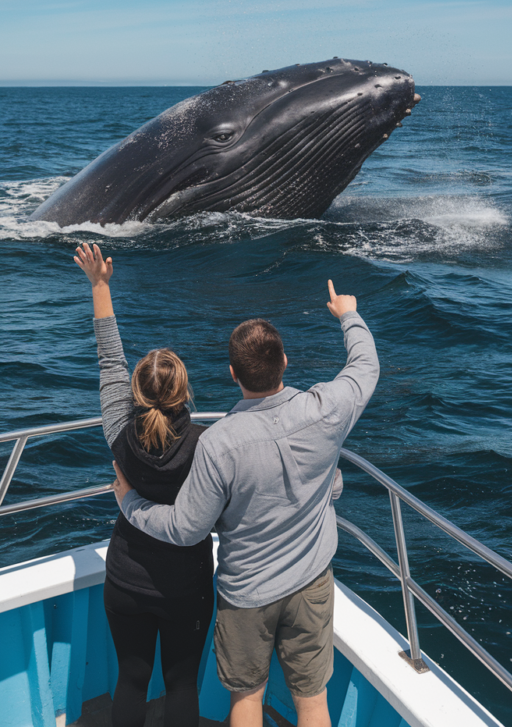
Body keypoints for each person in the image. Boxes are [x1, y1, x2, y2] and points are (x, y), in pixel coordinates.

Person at [114, 278, 379, 727]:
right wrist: (348, 314)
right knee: (313, 701)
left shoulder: (218, 443)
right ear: (285, 362)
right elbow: (365, 366)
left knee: (247, 699)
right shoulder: (328, 408)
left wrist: (131, 503)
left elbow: (187, 529)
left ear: (232, 374)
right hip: (312, 580)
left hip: (248, 593)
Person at [74, 243, 214, 727]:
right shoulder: (208, 445)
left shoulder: (118, 429)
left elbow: (108, 358)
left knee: (131, 680)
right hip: (187, 586)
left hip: (126, 578)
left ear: (135, 391)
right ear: (185, 393)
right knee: (181, 683)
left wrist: (99, 285)